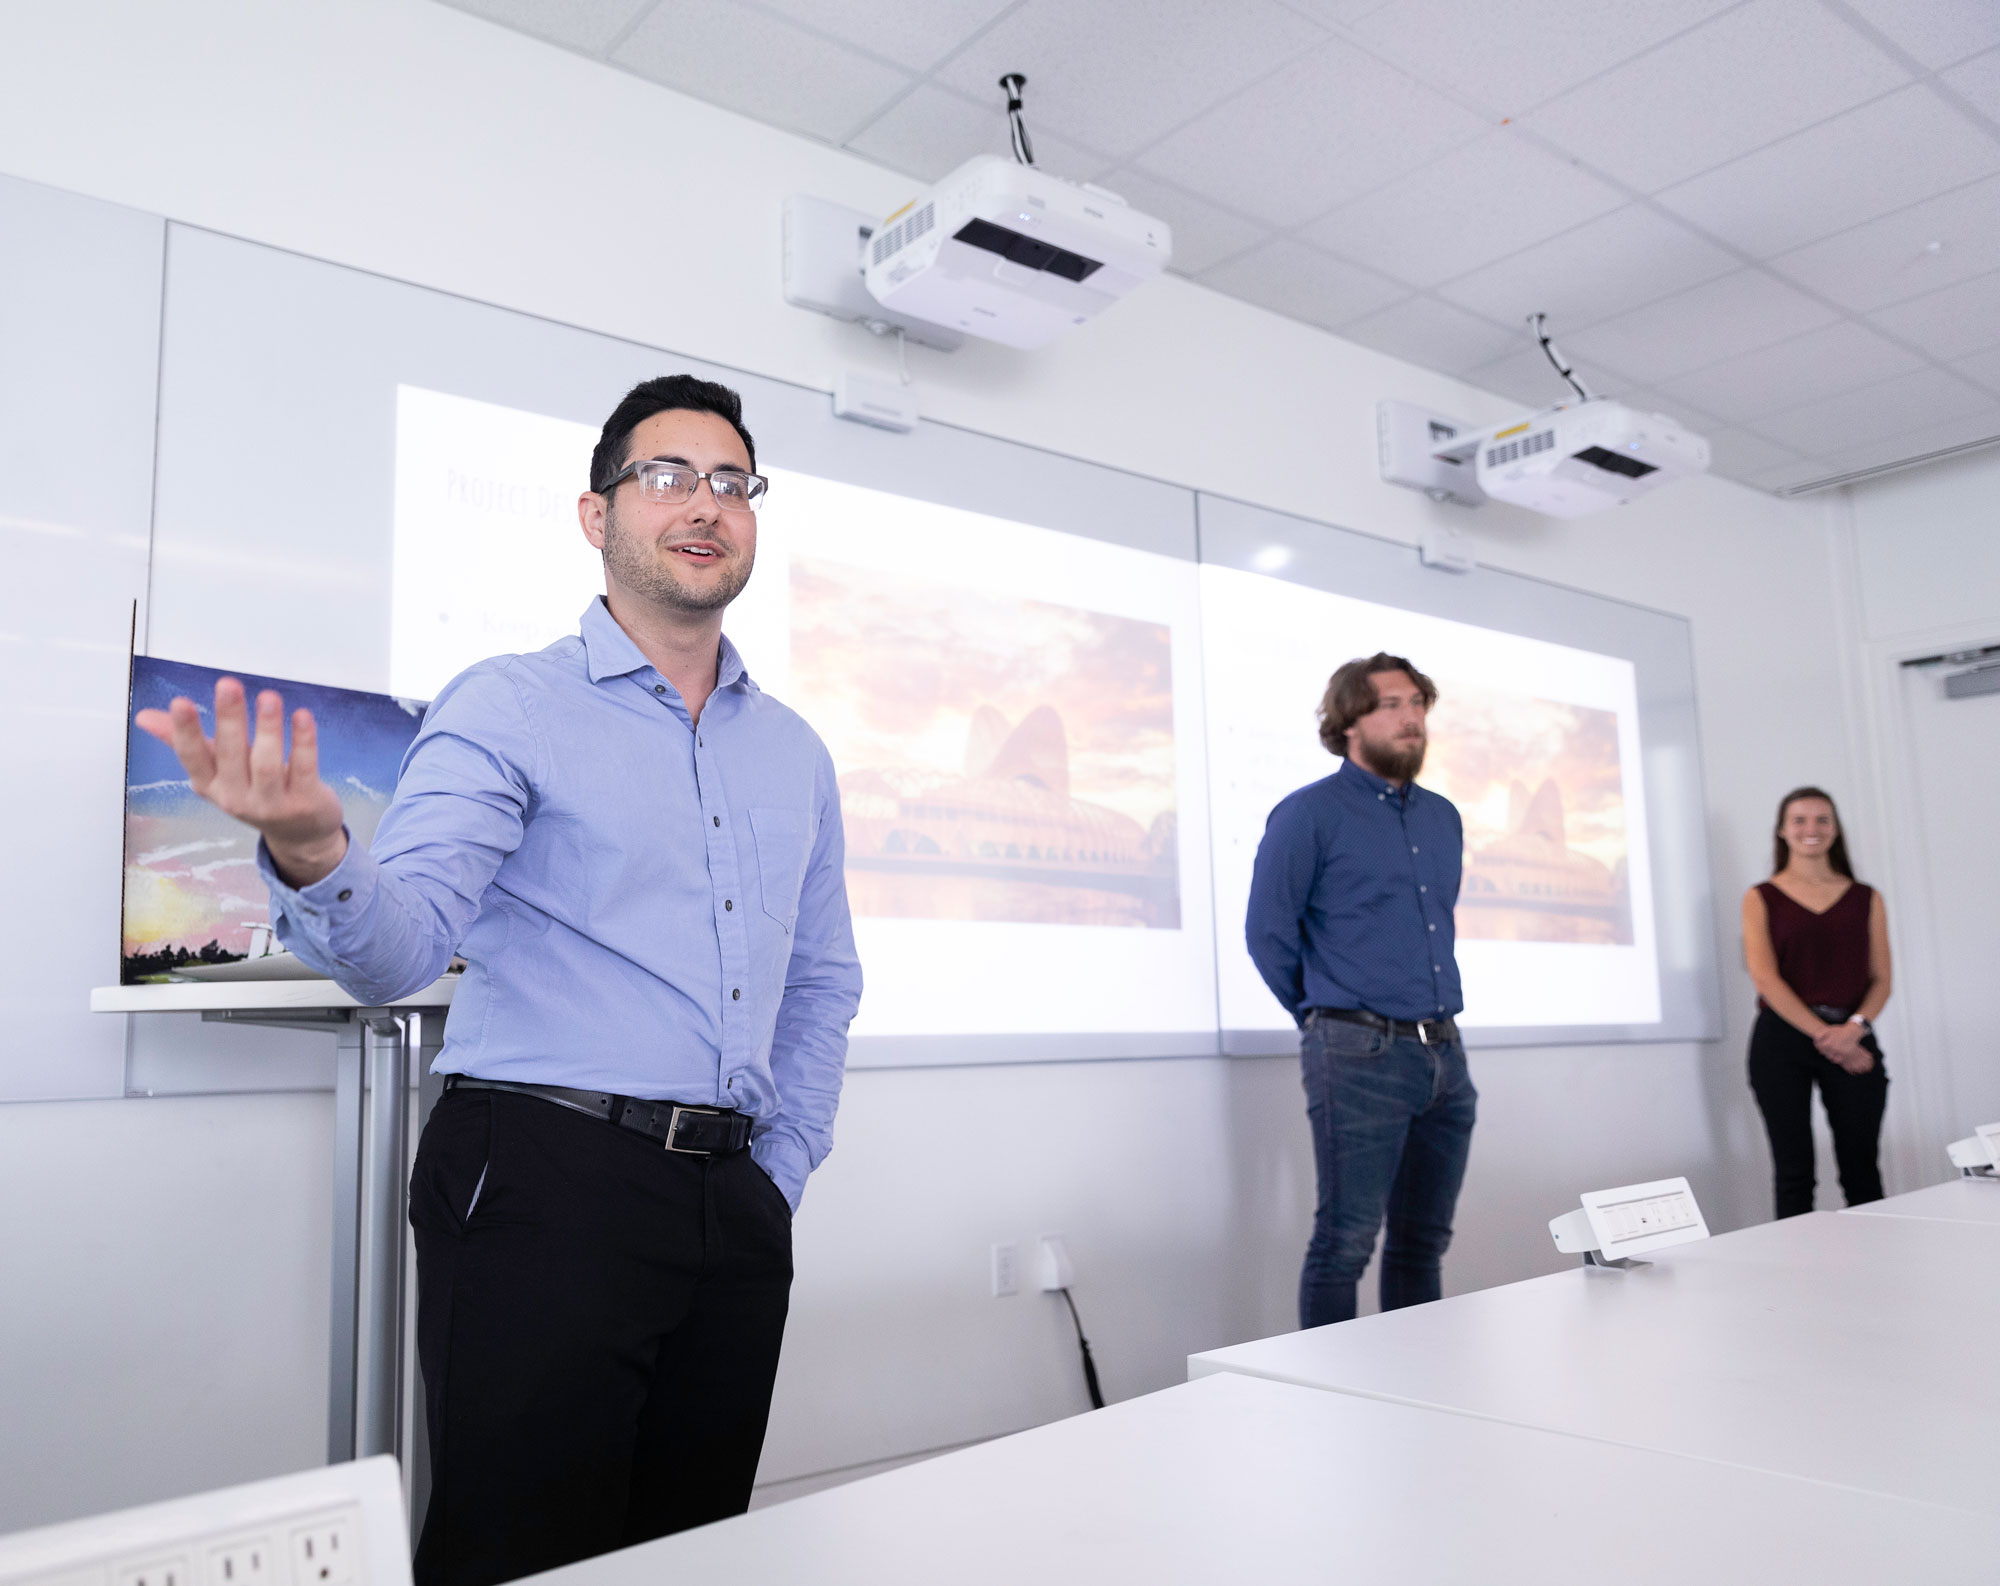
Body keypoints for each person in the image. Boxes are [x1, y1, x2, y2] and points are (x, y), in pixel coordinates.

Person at [136, 375, 862, 1586]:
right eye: (667, 474)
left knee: (696, 1550)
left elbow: (822, 982)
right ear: (597, 514)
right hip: (545, 1179)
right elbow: (404, 946)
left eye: (732, 482)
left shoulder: (791, 748)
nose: (705, 503)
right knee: (517, 1552)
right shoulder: (511, 703)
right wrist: (315, 853)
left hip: (734, 1201)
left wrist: (777, 1176)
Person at [1245, 652, 1475, 1330]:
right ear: (1349, 722)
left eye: (1417, 705)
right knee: (1344, 1244)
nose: (1411, 719)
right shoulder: (1308, 814)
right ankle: (1333, 1409)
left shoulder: (1442, 817)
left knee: (1423, 1245)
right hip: (1357, 1052)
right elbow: (1269, 934)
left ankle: (1414, 1389)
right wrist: (1326, 1016)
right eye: (1391, 705)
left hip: (1445, 1057)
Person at [1741, 786, 1890, 1219]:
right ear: (1782, 831)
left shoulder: (1866, 898)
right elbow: (1766, 978)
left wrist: (1853, 1030)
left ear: (1836, 829)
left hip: (1853, 1036)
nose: (1812, 829)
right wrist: (1828, 1036)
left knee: (1862, 1172)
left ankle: (1879, 1271)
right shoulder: (1760, 897)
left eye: (1822, 820)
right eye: (1800, 820)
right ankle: (1799, 1281)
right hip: (1782, 1042)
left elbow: (1882, 979)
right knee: (1794, 1175)